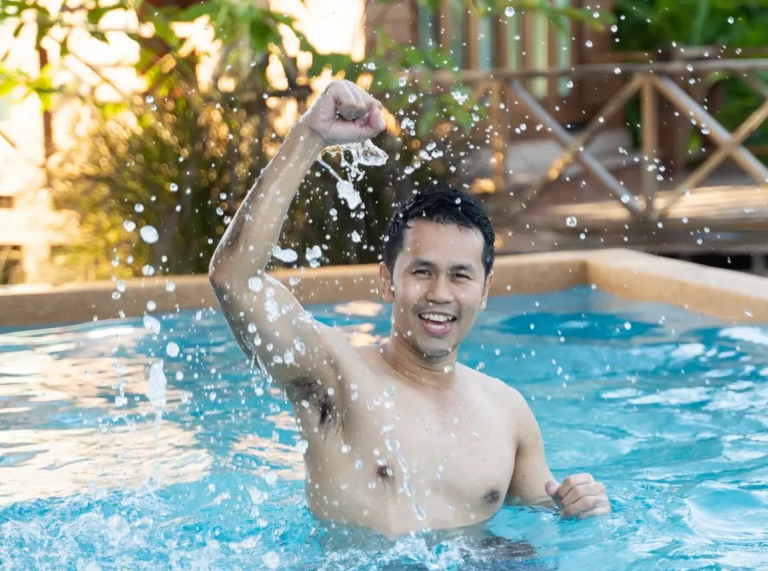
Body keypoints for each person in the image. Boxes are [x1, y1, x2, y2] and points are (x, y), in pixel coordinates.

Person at [208, 79, 611, 537]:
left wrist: (578, 506)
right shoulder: (335, 375)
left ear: (485, 290)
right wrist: (309, 136)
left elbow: (547, 518)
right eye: (422, 271)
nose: (439, 293)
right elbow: (233, 278)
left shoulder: (508, 412)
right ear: (387, 280)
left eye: (460, 276)